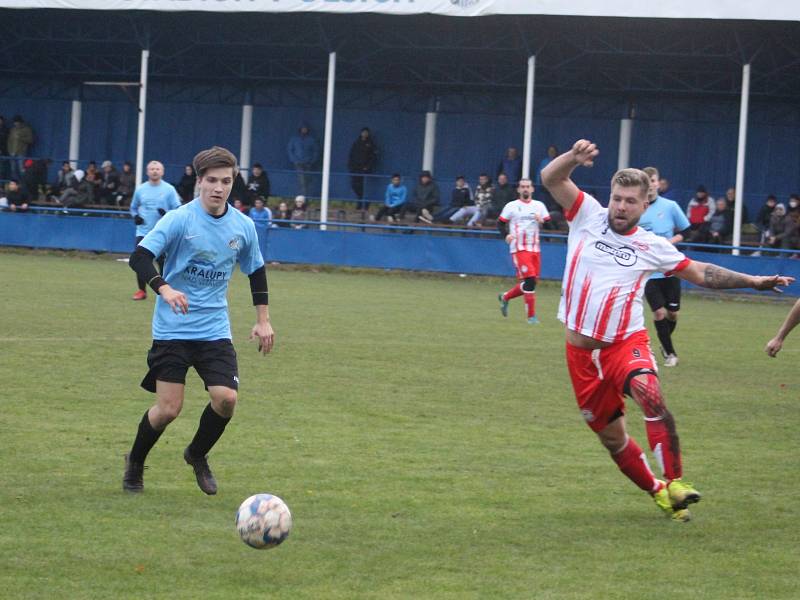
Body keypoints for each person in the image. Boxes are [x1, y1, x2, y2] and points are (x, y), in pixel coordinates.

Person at [541, 139, 793, 522]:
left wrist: (753, 281)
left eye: (630, 201)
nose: (621, 207)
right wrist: (572, 160)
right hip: (580, 355)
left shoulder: (651, 245)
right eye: (617, 198)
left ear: (646, 205)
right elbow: (550, 178)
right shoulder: (586, 215)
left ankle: (675, 480)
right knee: (613, 440)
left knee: (650, 394)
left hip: (624, 343)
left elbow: (701, 273)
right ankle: (660, 493)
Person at [122, 145, 274, 495]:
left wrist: (262, 319)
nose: (218, 188)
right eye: (211, 181)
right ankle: (135, 461)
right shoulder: (179, 219)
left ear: (233, 182)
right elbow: (140, 257)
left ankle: (197, 454)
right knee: (168, 409)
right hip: (173, 329)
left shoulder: (243, 226)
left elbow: (257, 271)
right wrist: (164, 288)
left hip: (213, 330)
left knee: (227, 400)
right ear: (199, 182)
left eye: (226, 181)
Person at [638, 167, 691, 367]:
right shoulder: (637, 207)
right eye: (646, 180)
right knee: (658, 313)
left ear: (658, 183)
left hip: (670, 268)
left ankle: (662, 342)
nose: (650, 184)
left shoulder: (670, 206)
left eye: (653, 180)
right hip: (649, 272)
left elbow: (687, 231)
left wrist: (671, 240)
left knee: (672, 313)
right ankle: (670, 354)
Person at [496, 179, 549, 324]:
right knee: (530, 280)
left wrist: (542, 221)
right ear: (518, 190)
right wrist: (506, 235)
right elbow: (500, 223)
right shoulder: (512, 206)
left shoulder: (539, 206)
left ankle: (505, 297)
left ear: (532, 189)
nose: (525, 189)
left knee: (530, 283)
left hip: (535, 249)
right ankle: (531, 317)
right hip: (519, 248)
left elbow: (549, 223)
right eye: (522, 187)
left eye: (528, 187)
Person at [129, 161, 182, 301]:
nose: (154, 171)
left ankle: (165, 290)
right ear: (147, 171)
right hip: (143, 232)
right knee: (141, 261)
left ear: (162, 172)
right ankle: (141, 291)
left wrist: (167, 213)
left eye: (157, 169)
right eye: (152, 169)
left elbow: (178, 209)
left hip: (163, 233)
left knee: (163, 262)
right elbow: (133, 207)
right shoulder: (140, 189)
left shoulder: (169, 189)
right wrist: (136, 217)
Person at [347, 127, 378, 210]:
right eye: (363, 132)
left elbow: (373, 157)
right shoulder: (356, 142)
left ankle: (364, 203)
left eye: (366, 132)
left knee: (364, 186)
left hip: (365, 169)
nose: (364, 134)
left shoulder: (371, 144)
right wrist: (350, 165)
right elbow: (352, 154)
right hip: (355, 168)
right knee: (354, 185)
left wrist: (368, 167)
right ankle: (360, 199)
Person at [287, 123, 319, 196]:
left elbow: (315, 151)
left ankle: (306, 197)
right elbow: (290, 150)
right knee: (301, 181)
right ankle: (301, 198)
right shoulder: (294, 139)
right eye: (303, 128)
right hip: (298, 164)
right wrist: (295, 161)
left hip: (308, 163)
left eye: (305, 129)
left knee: (308, 181)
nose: (304, 130)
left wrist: (312, 161)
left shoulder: (311, 139)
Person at [7, 115, 34, 180]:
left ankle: (23, 183)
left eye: (17, 122)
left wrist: (21, 138)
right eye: (15, 122)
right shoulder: (13, 129)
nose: (16, 123)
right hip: (12, 152)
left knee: (21, 169)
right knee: (13, 169)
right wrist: (9, 150)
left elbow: (31, 140)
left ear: (21, 122)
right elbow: (9, 141)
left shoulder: (27, 129)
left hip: (21, 152)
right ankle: (15, 183)